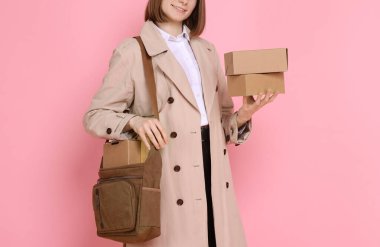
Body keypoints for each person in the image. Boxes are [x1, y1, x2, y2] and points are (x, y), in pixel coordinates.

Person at [83, 0, 278, 246]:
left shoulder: (207, 51)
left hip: (214, 181)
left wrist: (245, 114)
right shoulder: (133, 51)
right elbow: (95, 115)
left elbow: (220, 122)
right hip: (169, 184)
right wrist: (135, 122)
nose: (184, 0)